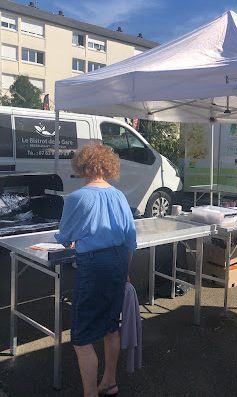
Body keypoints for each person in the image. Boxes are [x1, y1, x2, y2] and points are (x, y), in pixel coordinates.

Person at [55, 144, 137, 397]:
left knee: (81, 337)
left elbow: (64, 236)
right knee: (111, 326)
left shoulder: (78, 198)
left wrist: (68, 238)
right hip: (119, 261)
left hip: (93, 264)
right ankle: (109, 382)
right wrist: (125, 271)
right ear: (108, 166)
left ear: (82, 166)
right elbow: (130, 240)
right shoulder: (119, 196)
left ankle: (90, 394)